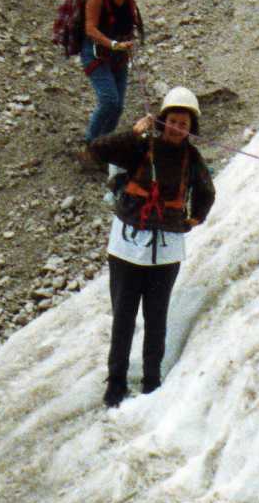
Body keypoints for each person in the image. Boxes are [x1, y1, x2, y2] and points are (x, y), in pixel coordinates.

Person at [88, 87, 215, 408]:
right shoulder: (141, 146)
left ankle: (151, 380)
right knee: (124, 318)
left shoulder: (192, 159)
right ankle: (115, 383)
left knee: (156, 319)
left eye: (183, 123)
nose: (177, 127)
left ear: (191, 128)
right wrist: (133, 133)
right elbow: (98, 150)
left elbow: (206, 193)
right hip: (127, 249)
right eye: (172, 120)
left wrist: (193, 220)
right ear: (162, 120)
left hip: (166, 251)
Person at [79, 0, 144, 159]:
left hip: (118, 56)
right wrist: (113, 44)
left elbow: (131, 21)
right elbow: (90, 29)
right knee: (109, 101)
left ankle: (104, 146)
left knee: (117, 107)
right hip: (96, 54)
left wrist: (127, 42)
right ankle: (90, 145)